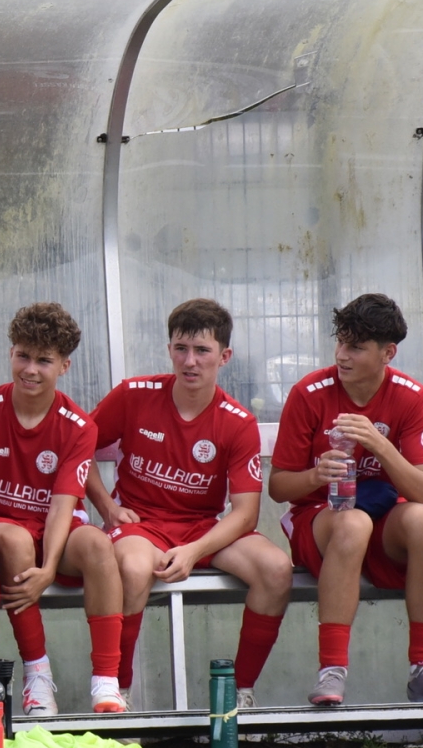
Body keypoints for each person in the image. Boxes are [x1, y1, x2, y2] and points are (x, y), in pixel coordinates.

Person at [87, 299, 294, 709]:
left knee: (276, 569)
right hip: (141, 525)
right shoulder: (133, 394)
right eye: (181, 348)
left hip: (202, 527)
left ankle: (238, 695)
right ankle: (117, 692)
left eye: (202, 351)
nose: (190, 361)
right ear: (169, 350)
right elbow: (77, 448)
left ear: (224, 356)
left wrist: (194, 551)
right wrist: (108, 508)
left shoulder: (237, 421)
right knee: (132, 568)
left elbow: (246, 513)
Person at [267, 294, 423, 706]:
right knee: (352, 522)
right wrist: (316, 475)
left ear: (387, 353)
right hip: (320, 520)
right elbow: (279, 488)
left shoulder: (411, 395)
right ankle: (331, 670)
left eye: (356, 347)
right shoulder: (309, 392)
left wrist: (379, 444)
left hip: (381, 520)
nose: (342, 355)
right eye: (340, 342)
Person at [0, 304, 129, 715]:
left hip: (55, 527)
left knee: (98, 545)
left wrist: (49, 568)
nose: (30, 369)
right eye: (23, 356)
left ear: (64, 366)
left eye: (44, 361)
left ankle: (107, 683)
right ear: (11, 353)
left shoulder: (79, 426)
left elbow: (62, 506)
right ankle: (37, 676)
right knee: (15, 539)